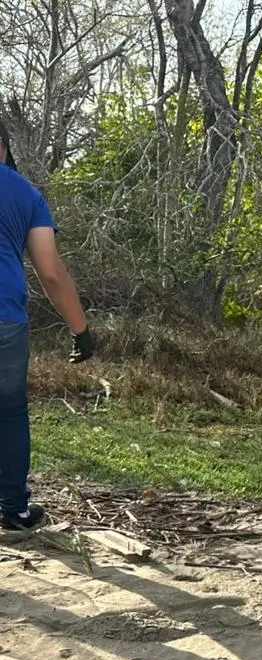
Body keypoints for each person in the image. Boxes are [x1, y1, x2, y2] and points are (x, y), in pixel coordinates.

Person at [0, 120, 94, 532]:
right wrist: (81, 330)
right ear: (2, 147)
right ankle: (14, 509)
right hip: (5, 318)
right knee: (9, 411)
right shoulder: (26, 194)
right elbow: (51, 273)